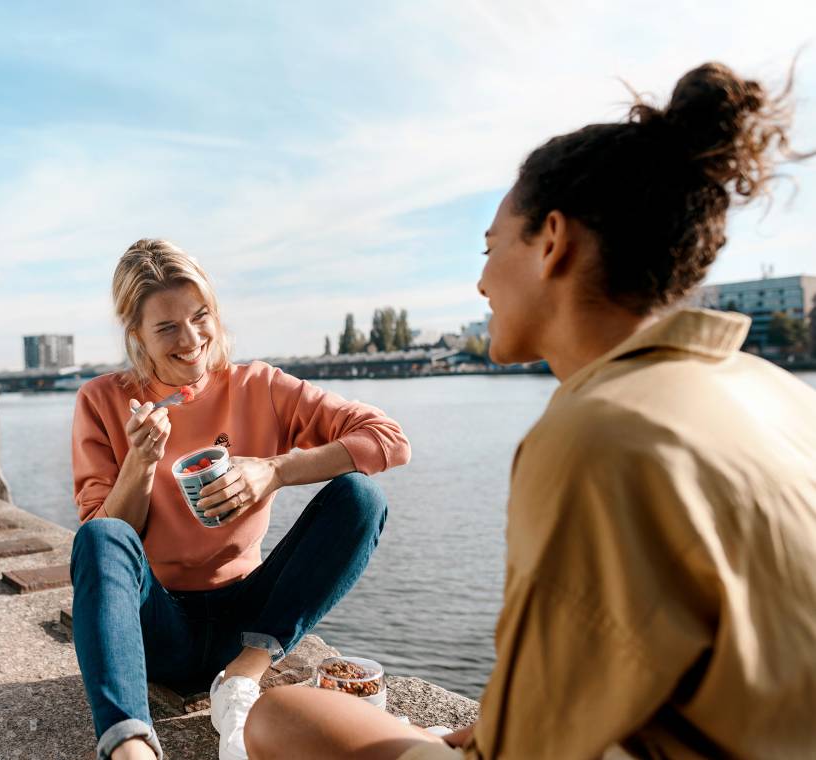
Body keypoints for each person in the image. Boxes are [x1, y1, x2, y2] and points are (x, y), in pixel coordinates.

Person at [245, 61, 816, 759]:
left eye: (490, 248)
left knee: (284, 718)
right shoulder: (775, 391)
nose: (482, 280)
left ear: (552, 241)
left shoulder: (601, 433)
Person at [70, 238, 411, 760]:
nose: (191, 339)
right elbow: (103, 544)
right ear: (135, 333)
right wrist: (139, 462)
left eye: (200, 316)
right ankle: (130, 748)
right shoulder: (102, 401)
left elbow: (389, 440)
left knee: (361, 497)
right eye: (166, 327)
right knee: (99, 534)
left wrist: (274, 472)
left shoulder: (261, 387)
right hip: (155, 629)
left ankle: (239, 681)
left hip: (248, 624)